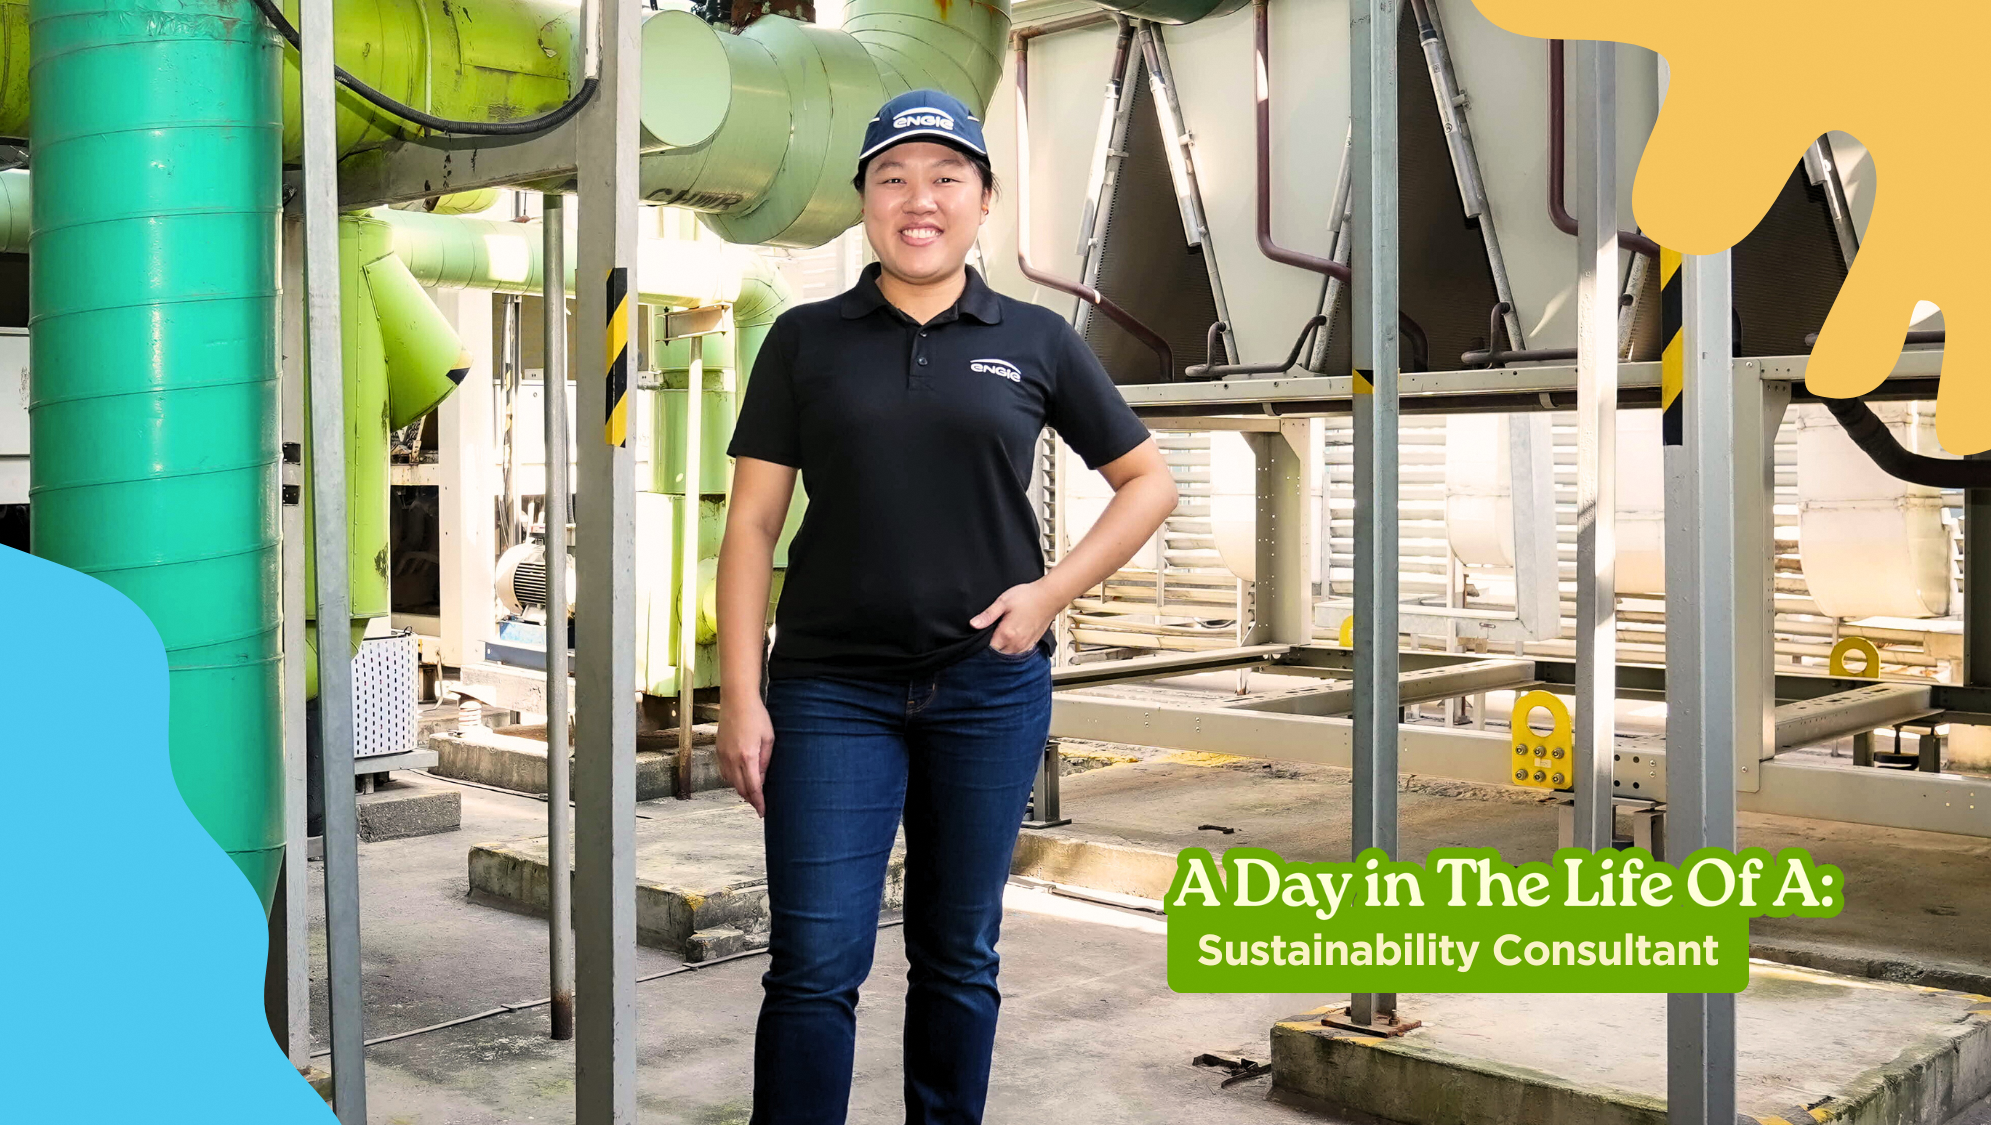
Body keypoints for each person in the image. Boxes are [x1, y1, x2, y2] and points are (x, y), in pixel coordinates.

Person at [714, 87, 1179, 1125]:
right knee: (813, 964)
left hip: (986, 689)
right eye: (892, 178)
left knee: (958, 955)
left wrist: (1049, 591)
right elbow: (749, 526)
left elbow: (1147, 481)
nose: (917, 200)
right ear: (865, 203)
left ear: (980, 202)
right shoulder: (803, 340)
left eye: (944, 178)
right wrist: (738, 693)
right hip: (831, 691)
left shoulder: (1036, 338)